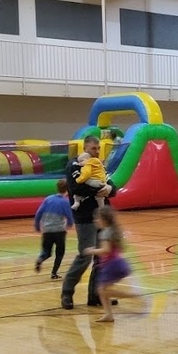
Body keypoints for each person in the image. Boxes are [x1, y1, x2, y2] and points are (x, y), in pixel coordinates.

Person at [61, 134, 113, 310]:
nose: (96, 152)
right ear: (85, 148)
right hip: (85, 217)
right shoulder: (74, 165)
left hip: (102, 218)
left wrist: (109, 188)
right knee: (85, 255)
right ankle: (67, 292)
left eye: (98, 149)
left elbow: (112, 185)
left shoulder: (98, 164)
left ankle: (96, 295)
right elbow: (77, 187)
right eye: (93, 148)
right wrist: (98, 190)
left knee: (102, 256)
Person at [85, 205, 132, 322]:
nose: (95, 221)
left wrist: (92, 251)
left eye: (97, 218)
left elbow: (106, 250)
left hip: (112, 265)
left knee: (102, 290)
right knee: (102, 291)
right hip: (115, 263)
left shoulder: (105, 233)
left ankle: (131, 295)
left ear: (104, 220)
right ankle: (108, 314)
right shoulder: (113, 230)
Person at [34, 178, 73, 279]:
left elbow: (39, 213)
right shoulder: (65, 202)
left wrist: (37, 226)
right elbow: (69, 216)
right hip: (59, 231)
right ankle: (54, 273)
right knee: (59, 253)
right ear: (67, 189)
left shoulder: (48, 199)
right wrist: (69, 224)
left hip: (47, 230)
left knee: (46, 251)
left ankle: (40, 259)